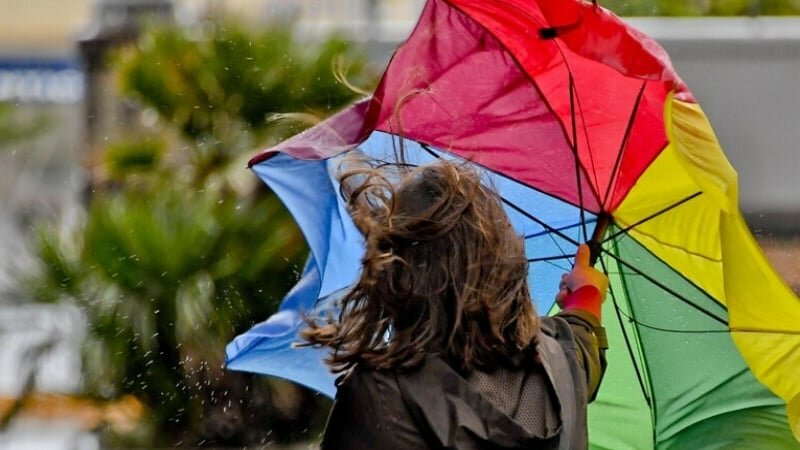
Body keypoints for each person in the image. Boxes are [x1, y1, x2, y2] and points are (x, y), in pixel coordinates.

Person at [302, 160, 608, 449]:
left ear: (398, 276)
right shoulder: (563, 360)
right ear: (507, 265)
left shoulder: (380, 394)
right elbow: (582, 341)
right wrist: (586, 297)